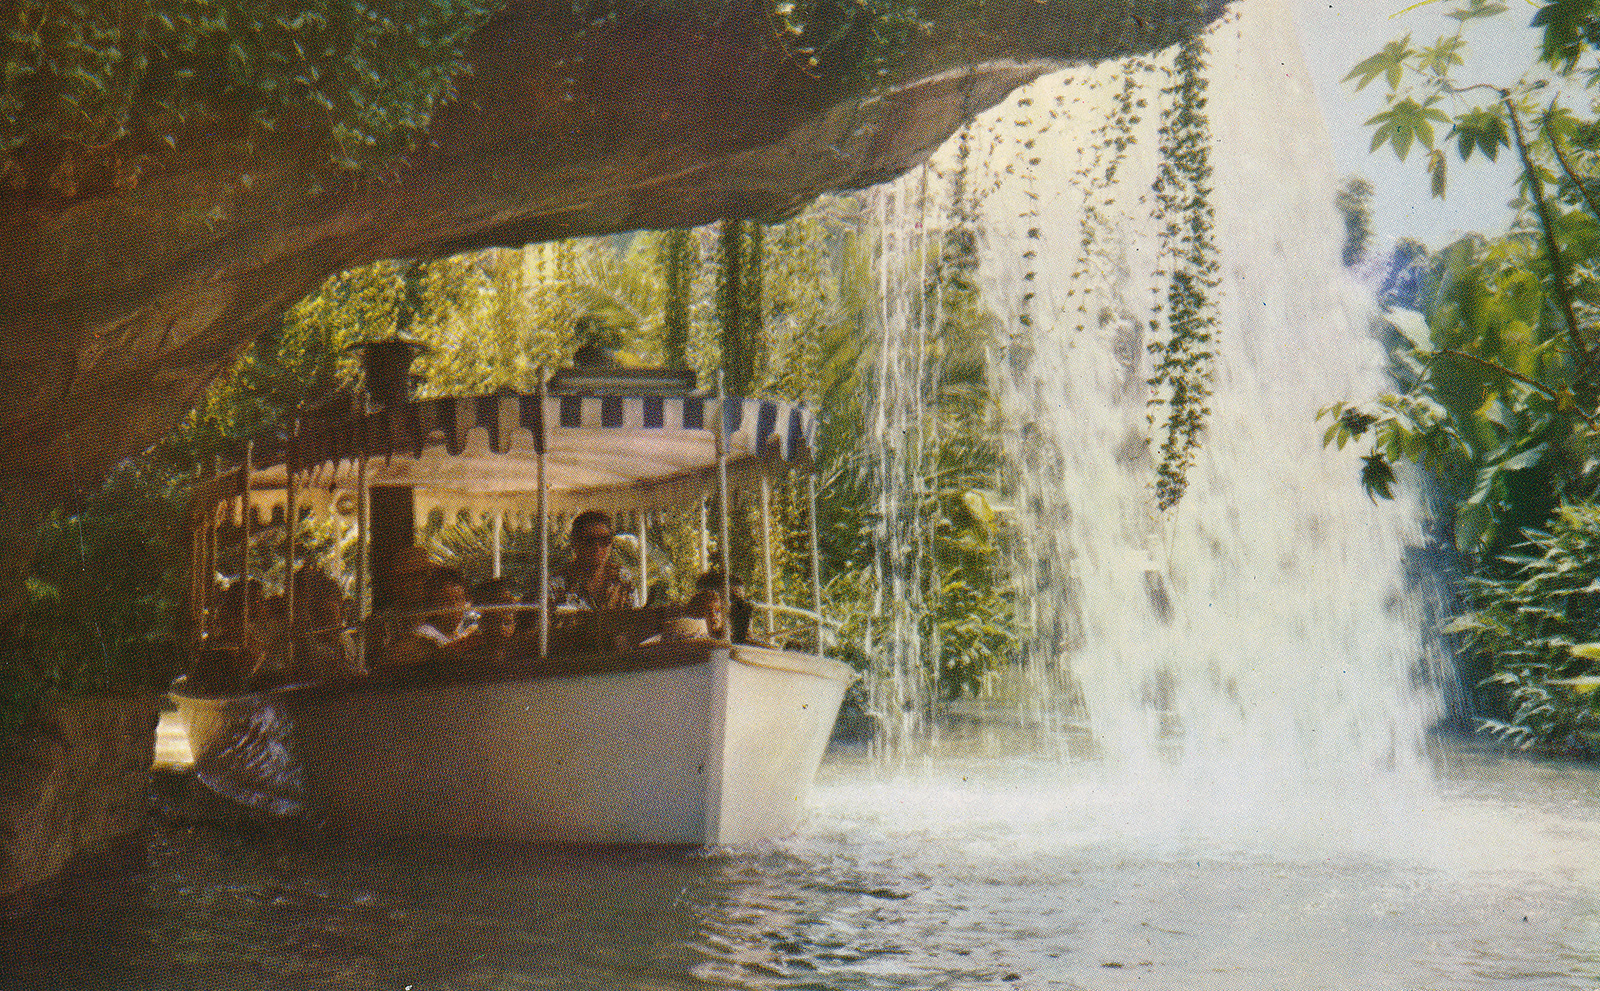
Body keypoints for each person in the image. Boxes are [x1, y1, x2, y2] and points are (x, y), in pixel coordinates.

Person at [548, 510, 635, 611]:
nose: (597, 548)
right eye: (589, 541)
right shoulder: (557, 584)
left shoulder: (623, 578)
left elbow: (634, 620)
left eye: (604, 540)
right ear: (575, 543)